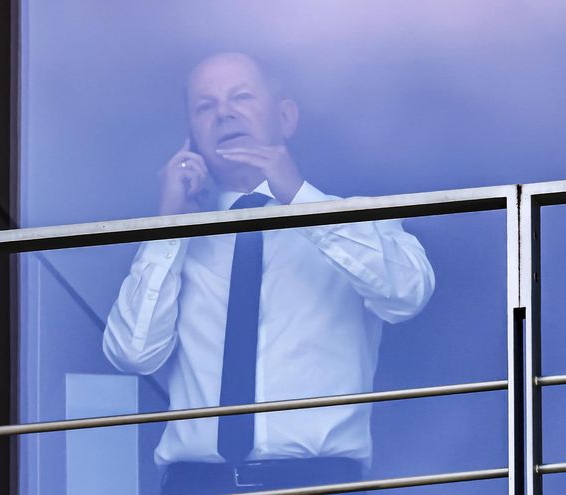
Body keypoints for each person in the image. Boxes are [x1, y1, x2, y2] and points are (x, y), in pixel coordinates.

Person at [103, 52, 435, 494]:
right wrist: (169, 225)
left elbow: (408, 293)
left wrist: (297, 196)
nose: (224, 113)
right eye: (206, 106)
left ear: (285, 117)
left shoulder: (355, 219)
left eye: (241, 97)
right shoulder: (180, 244)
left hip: (318, 484)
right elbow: (131, 354)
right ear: (191, 137)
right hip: (194, 485)